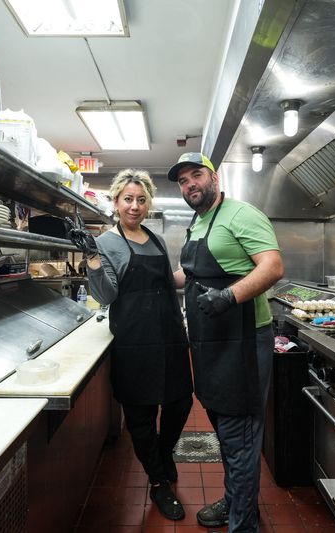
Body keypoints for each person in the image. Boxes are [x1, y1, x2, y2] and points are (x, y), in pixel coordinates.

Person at [66, 169, 193, 521]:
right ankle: (157, 481)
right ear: (116, 202)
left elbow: (168, 283)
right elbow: (106, 294)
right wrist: (91, 258)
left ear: (147, 202)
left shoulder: (155, 239)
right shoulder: (107, 243)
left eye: (140, 200)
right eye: (128, 199)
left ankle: (163, 452)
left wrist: (199, 270)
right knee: (140, 417)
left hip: (169, 335)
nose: (134, 206)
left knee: (180, 402)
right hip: (134, 341)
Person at [167, 152, 284, 532]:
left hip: (242, 342)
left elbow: (272, 266)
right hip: (209, 343)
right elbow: (190, 273)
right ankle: (236, 502)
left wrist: (229, 296)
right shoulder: (199, 222)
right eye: (183, 181)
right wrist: (151, 277)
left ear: (213, 176)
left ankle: (242, 524)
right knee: (225, 432)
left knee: (240, 438)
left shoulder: (241, 214)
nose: (190, 185)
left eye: (196, 175)